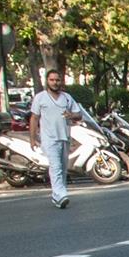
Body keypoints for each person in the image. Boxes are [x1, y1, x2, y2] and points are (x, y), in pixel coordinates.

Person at [29, 71, 81, 208]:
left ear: (61, 81)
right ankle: (61, 194)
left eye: (57, 80)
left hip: (64, 137)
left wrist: (71, 115)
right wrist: (32, 138)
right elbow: (34, 118)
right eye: (52, 80)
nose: (55, 83)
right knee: (56, 167)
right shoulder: (40, 98)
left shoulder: (67, 98)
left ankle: (57, 195)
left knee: (63, 168)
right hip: (49, 138)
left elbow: (78, 115)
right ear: (47, 81)